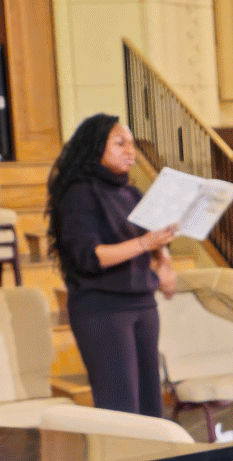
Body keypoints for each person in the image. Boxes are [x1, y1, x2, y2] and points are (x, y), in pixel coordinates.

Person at [47, 113, 177, 417]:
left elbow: (156, 237)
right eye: (119, 143)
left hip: (143, 304)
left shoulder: (132, 193)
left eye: (132, 144)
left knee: (150, 407)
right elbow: (90, 256)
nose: (129, 151)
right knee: (121, 408)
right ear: (95, 147)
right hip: (103, 310)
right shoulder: (79, 193)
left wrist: (165, 262)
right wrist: (146, 244)